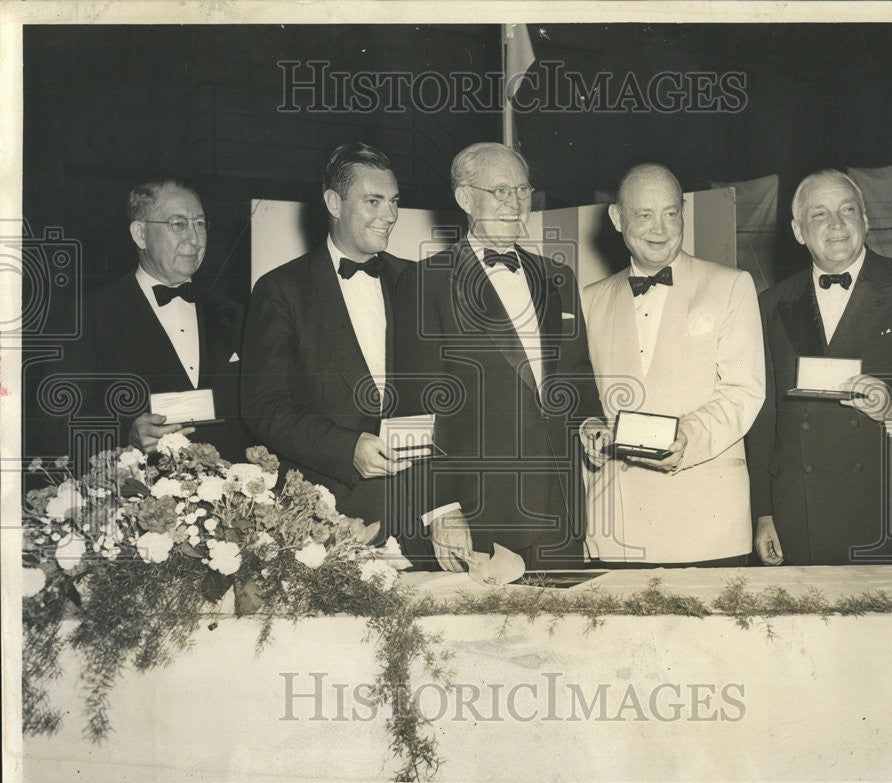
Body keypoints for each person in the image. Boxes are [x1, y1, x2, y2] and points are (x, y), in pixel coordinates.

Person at [394, 142, 603, 571]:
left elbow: (577, 375)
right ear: (465, 198)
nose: (516, 203)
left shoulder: (558, 277)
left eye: (523, 190)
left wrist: (591, 420)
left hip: (561, 512)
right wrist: (440, 510)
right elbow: (414, 408)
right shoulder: (427, 281)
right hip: (476, 517)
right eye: (501, 191)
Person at [745, 169, 892, 566]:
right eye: (819, 214)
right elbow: (762, 422)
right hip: (801, 519)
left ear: (865, 219)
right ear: (798, 230)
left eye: (847, 210)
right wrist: (763, 514)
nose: (836, 224)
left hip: (891, 515)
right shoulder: (770, 304)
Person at [581, 164, 765, 566]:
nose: (659, 228)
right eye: (644, 215)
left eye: (670, 213)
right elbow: (581, 399)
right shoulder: (588, 300)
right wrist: (588, 428)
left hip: (706, 527)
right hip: (616, 529)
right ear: (617, 218)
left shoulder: (731, 285)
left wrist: (687, 440)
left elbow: (743, 391)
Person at [241, 143, 418, 545]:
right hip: (330, 518)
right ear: (333, 203)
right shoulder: (280, 289)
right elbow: (262, 405)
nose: (389, 215)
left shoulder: (417, 281)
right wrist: (345, 448)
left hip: (417, 515)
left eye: (394, 201)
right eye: (373, 201)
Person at [41, 178, 250, 464]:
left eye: (200, 224)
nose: (194, 238)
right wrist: (126, 437)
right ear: (140, 234)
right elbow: (53, 427)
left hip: (231, 502)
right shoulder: (89, 316)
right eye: (178, 224)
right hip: (137, 502)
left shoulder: (235, 315)